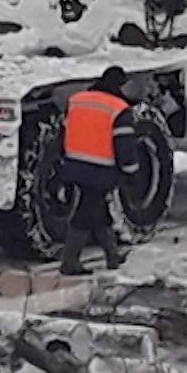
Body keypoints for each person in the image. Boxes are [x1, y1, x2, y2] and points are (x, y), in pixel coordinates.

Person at [57, 66, 140, 275]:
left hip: (74, 162)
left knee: (98, 208)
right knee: (85, 213)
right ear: (121, 85)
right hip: (99, 168)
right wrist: (131, 173)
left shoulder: (78, 99)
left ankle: (112, 255)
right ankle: (70, 261)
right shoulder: (119, 109)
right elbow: (125, 147)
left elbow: (64, 131)